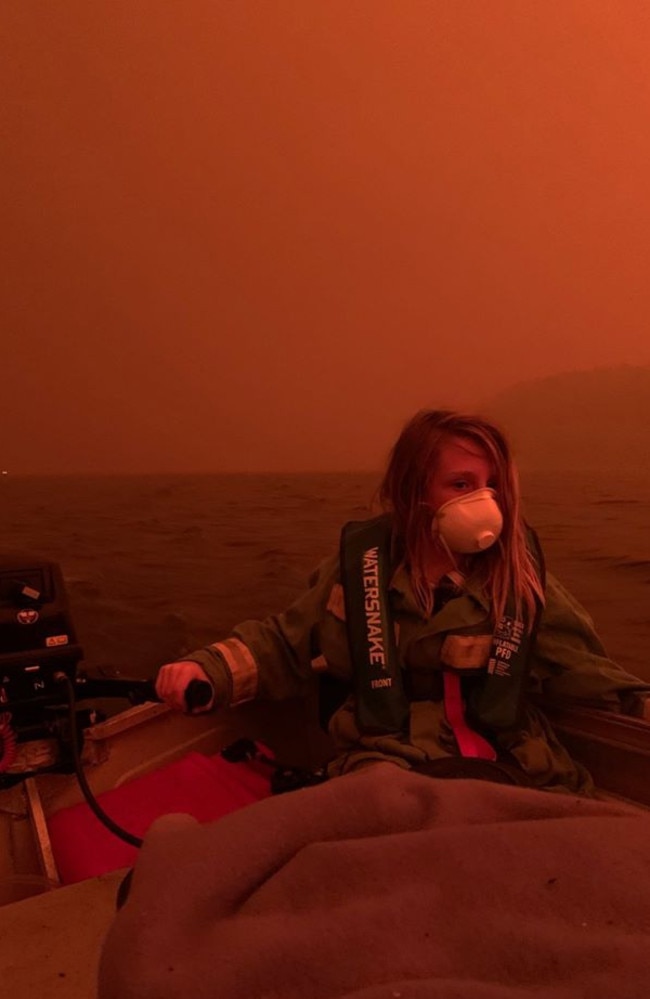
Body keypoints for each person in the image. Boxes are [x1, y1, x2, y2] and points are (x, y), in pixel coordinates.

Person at [155, 410, 650, 795]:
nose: (486, 501)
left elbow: (585, 670)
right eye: (462, 484)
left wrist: (640, 704)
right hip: (392, 761)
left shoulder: (520, 579)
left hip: (514, 760)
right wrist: (210, 669)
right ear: (413, 491)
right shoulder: (359, 572)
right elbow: (285, 645)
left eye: (492, 485)